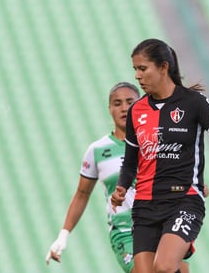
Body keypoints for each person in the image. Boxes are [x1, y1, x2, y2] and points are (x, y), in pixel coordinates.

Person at [111, 38, 209, 273]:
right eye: (135, 69)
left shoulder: (194, 103)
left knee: (164, 267)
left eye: (142, 68)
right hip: (145, 205)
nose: (137, 76)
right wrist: (122, 187)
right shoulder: (137, 110)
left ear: (164, 67)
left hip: (184, 200)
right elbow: (130, 160)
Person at [45, 82, 192, 273]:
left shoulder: (162, 142)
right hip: (126, 233)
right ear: (109, 109)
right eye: (117, 103)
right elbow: (82, 194)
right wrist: (63, 236)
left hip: (166, 226)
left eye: (130, 102)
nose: (124, 108)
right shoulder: (97, 150)